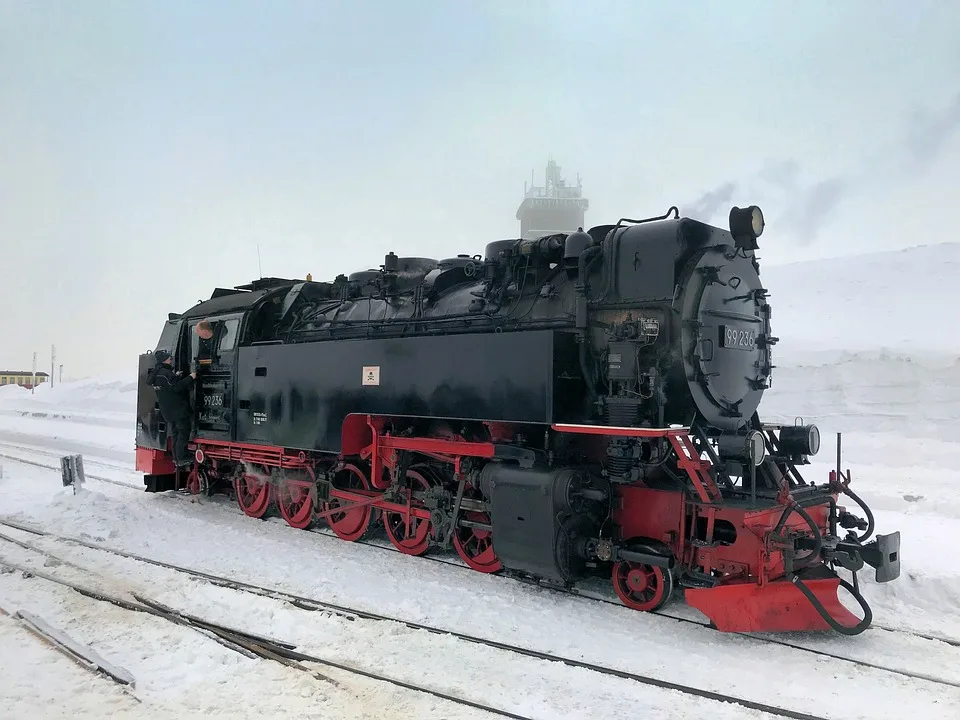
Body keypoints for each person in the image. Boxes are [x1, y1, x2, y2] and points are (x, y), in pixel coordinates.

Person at [146, 349, 196, 469]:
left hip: (167, 410)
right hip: (178, 409)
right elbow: (176, 388)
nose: (171, 360)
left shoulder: (156, 374)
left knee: (174, 433)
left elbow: (168, 385)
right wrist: (190, 377)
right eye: (169, 358)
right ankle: (182, 457)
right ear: (164, 360)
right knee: (183, 433)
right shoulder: (166, 374)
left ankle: (177, 458)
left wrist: (176, 376)